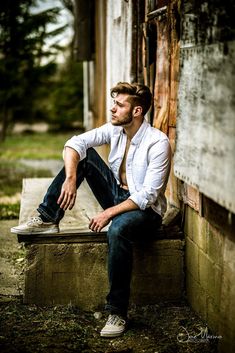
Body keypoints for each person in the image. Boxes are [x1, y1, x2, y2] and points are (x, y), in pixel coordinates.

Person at [11, 82, 171, 338]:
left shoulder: (158, 142)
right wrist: (71, 178)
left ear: (137, 110)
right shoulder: (116, 130)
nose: (113, 108)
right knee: (83, 156)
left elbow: (148, 196)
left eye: (120, 105)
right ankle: (48, 216)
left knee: (117, 229)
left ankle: (117, 312)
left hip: (146, 211)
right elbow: (74, 142)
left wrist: (108, 213)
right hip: (120, 197)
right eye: (114, 102)